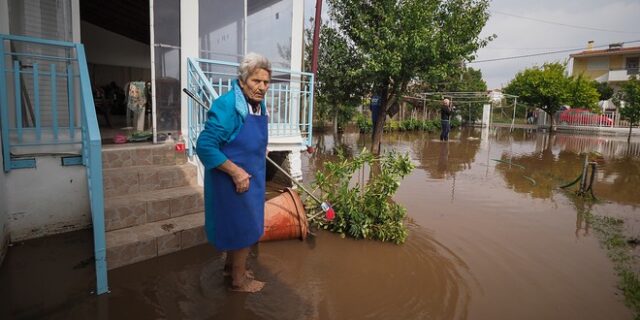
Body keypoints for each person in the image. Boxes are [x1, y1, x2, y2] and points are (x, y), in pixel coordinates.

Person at [196, 53, 271, 293]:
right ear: (242, 81)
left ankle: (230, 268)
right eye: (255, 81)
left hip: (253, 177)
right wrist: (236, 172)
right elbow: (205, 146)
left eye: (265, 82)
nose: (261, 87)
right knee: (243, 227)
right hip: (234, 181)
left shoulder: (257, 105)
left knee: (242, 226)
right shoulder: (228, 105)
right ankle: (239, 281)